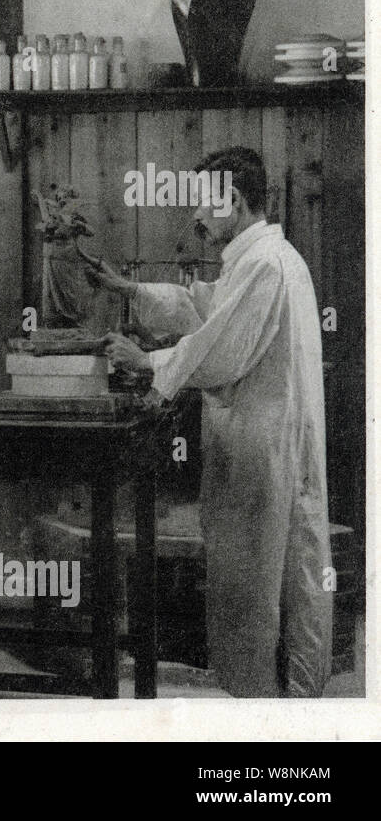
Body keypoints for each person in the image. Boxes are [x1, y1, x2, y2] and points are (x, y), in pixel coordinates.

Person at [88, 146, 331, 698]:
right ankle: (291, 709)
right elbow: (207, 309)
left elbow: (218, 349)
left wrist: (146, 361)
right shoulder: (263, 259)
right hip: (270, 447)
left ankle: (263, 717)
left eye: (203, 204)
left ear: (236, 202)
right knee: (287, 580)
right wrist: (130, 290)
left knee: (250, 590)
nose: (195, 216)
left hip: (261, 452)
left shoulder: (266, 264)